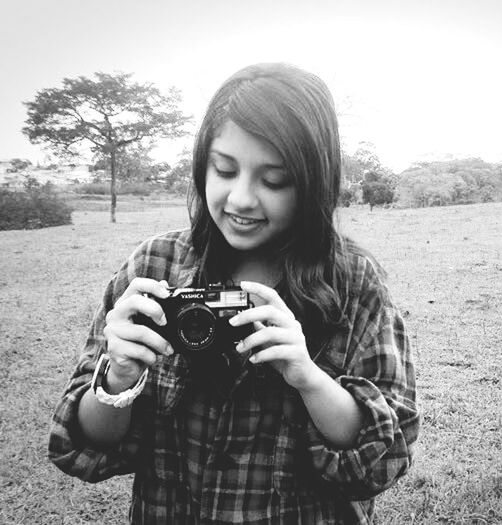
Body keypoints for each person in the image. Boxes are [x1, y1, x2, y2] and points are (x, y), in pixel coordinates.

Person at [48, 63, 419, 524]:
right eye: (224, 169)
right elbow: (83, 444)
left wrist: (308, 377)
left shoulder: (353, 285)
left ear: (313, 181)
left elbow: (383, 458)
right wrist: (117, 379)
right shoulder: (153, 268)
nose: (241, 198)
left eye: (274, 180)